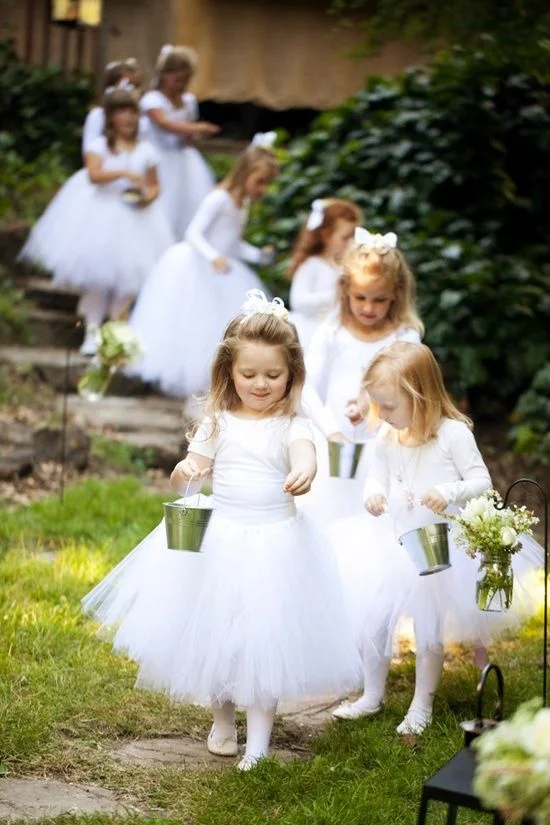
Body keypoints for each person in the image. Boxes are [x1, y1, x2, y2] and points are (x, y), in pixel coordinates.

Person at [82, 290, 359, 770]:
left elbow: (305, 453)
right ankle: (223, 720)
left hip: (276, 541)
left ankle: (259, 744)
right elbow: (193, 466)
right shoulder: (218, 420)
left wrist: (306, 470)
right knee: (217, 633)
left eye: (273, 375)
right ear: (229, 372)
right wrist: (185, 469)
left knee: (264, 640)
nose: (260, 384)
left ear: (292, 374)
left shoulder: (292, 423)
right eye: (248, 374)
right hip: (221, 537)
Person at [330, 342, 544, 734]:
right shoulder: (388, 437)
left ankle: (421, 704)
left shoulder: (453, 435)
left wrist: (449, 492)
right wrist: (372, 495)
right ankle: (372, 694)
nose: (383, 415)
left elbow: (480, 480)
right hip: (389, 541)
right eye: (378, 405)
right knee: (372, 621)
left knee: (428, 629)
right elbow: (376, 476)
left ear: (420, 396)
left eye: (390, 406)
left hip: (437, 544)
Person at [19, 88, 174, 355]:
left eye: (131, 112)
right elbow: (94, 175)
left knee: (128, 283)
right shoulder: (99, 146)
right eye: (120, 112)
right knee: (98, 281)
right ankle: (91, 332)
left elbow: (154, 185)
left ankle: (114, 333)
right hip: (102, 214)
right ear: (111, 117)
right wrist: (124, 172)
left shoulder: (147, 150)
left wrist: (147, 197)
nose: (127, 118)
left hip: (137, 219)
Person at [129, 135, 278, 399]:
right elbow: (193, 233)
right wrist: (212, 256)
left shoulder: (243, 205)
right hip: (197, 267)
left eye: (267, 183)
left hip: (222, 270)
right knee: (193, 326)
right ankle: (191, 391)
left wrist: (257, 256)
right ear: (244, 174)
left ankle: (208, 390)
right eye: (260, 181)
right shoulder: (219, 198)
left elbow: (233, 243)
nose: (262, 189)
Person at [299, 228, 423, 524]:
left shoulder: (404, 337)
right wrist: (331, 432)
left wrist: (373, 411)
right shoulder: (333, 332)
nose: (368, 308)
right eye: (360, 297)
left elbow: (411, 396)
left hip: (386, 451)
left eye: (379, 300)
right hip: (331, 449)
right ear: (345, 291)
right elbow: (306, 387)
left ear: (396, 293)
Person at [140, 44, 220, 238]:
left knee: (188, 206)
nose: (182, 85)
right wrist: (198, 127)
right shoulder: (152, 100)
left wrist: (192, 136)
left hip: (184, 162)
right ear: (165, 75)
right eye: (178, 80)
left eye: (186, 80)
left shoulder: (189, 100)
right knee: (162, 206)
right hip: (158, 162)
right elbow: (164, 124)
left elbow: (186, 130)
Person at [288, 198, 362, 349]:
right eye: (345, 237)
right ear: (326, 235)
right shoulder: (312, 265)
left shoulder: (343, 265)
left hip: (337, 330)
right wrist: (334, 295)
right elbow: (297, 300)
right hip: (310, 332)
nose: (351, 242)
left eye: (353, 236)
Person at [82, 58, 145, 157]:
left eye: (136, 86)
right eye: (128, 85)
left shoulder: (142, 116)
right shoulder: (98, 115)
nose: (132, 90)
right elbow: (88, 149)